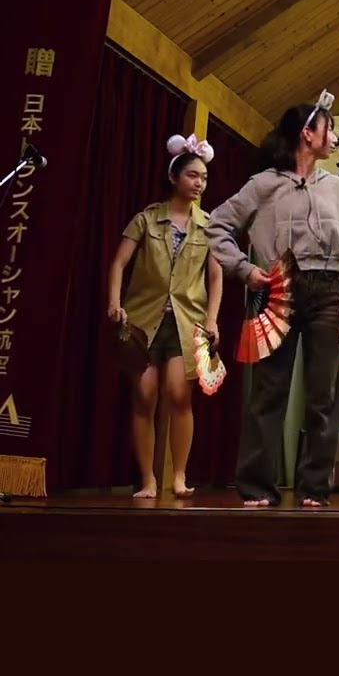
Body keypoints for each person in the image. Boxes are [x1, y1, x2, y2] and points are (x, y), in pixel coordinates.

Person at [205, 92, 339, 508]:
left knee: (323, 395)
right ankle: (257, 486)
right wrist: (245, 270)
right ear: (308, 133)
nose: (334, 137)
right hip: (276, 290)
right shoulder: (264, 184)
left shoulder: (337, 187)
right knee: (269, 391)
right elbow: (217, 226)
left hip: (327, 292)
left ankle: (314, 488)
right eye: (329, 128)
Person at [107, 134, 222, 499]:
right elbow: (118, 262)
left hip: (187, 321)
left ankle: (180, 475)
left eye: (203, 177)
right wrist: (115, 301)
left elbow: (216, 276)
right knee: (144, 396)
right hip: (142, 320)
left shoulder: (209, 226)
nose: (199, 183)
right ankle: (148, 480)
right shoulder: (146, 218)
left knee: (179, 395)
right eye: (192, 175)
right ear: (174, 177)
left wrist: (214, 319)